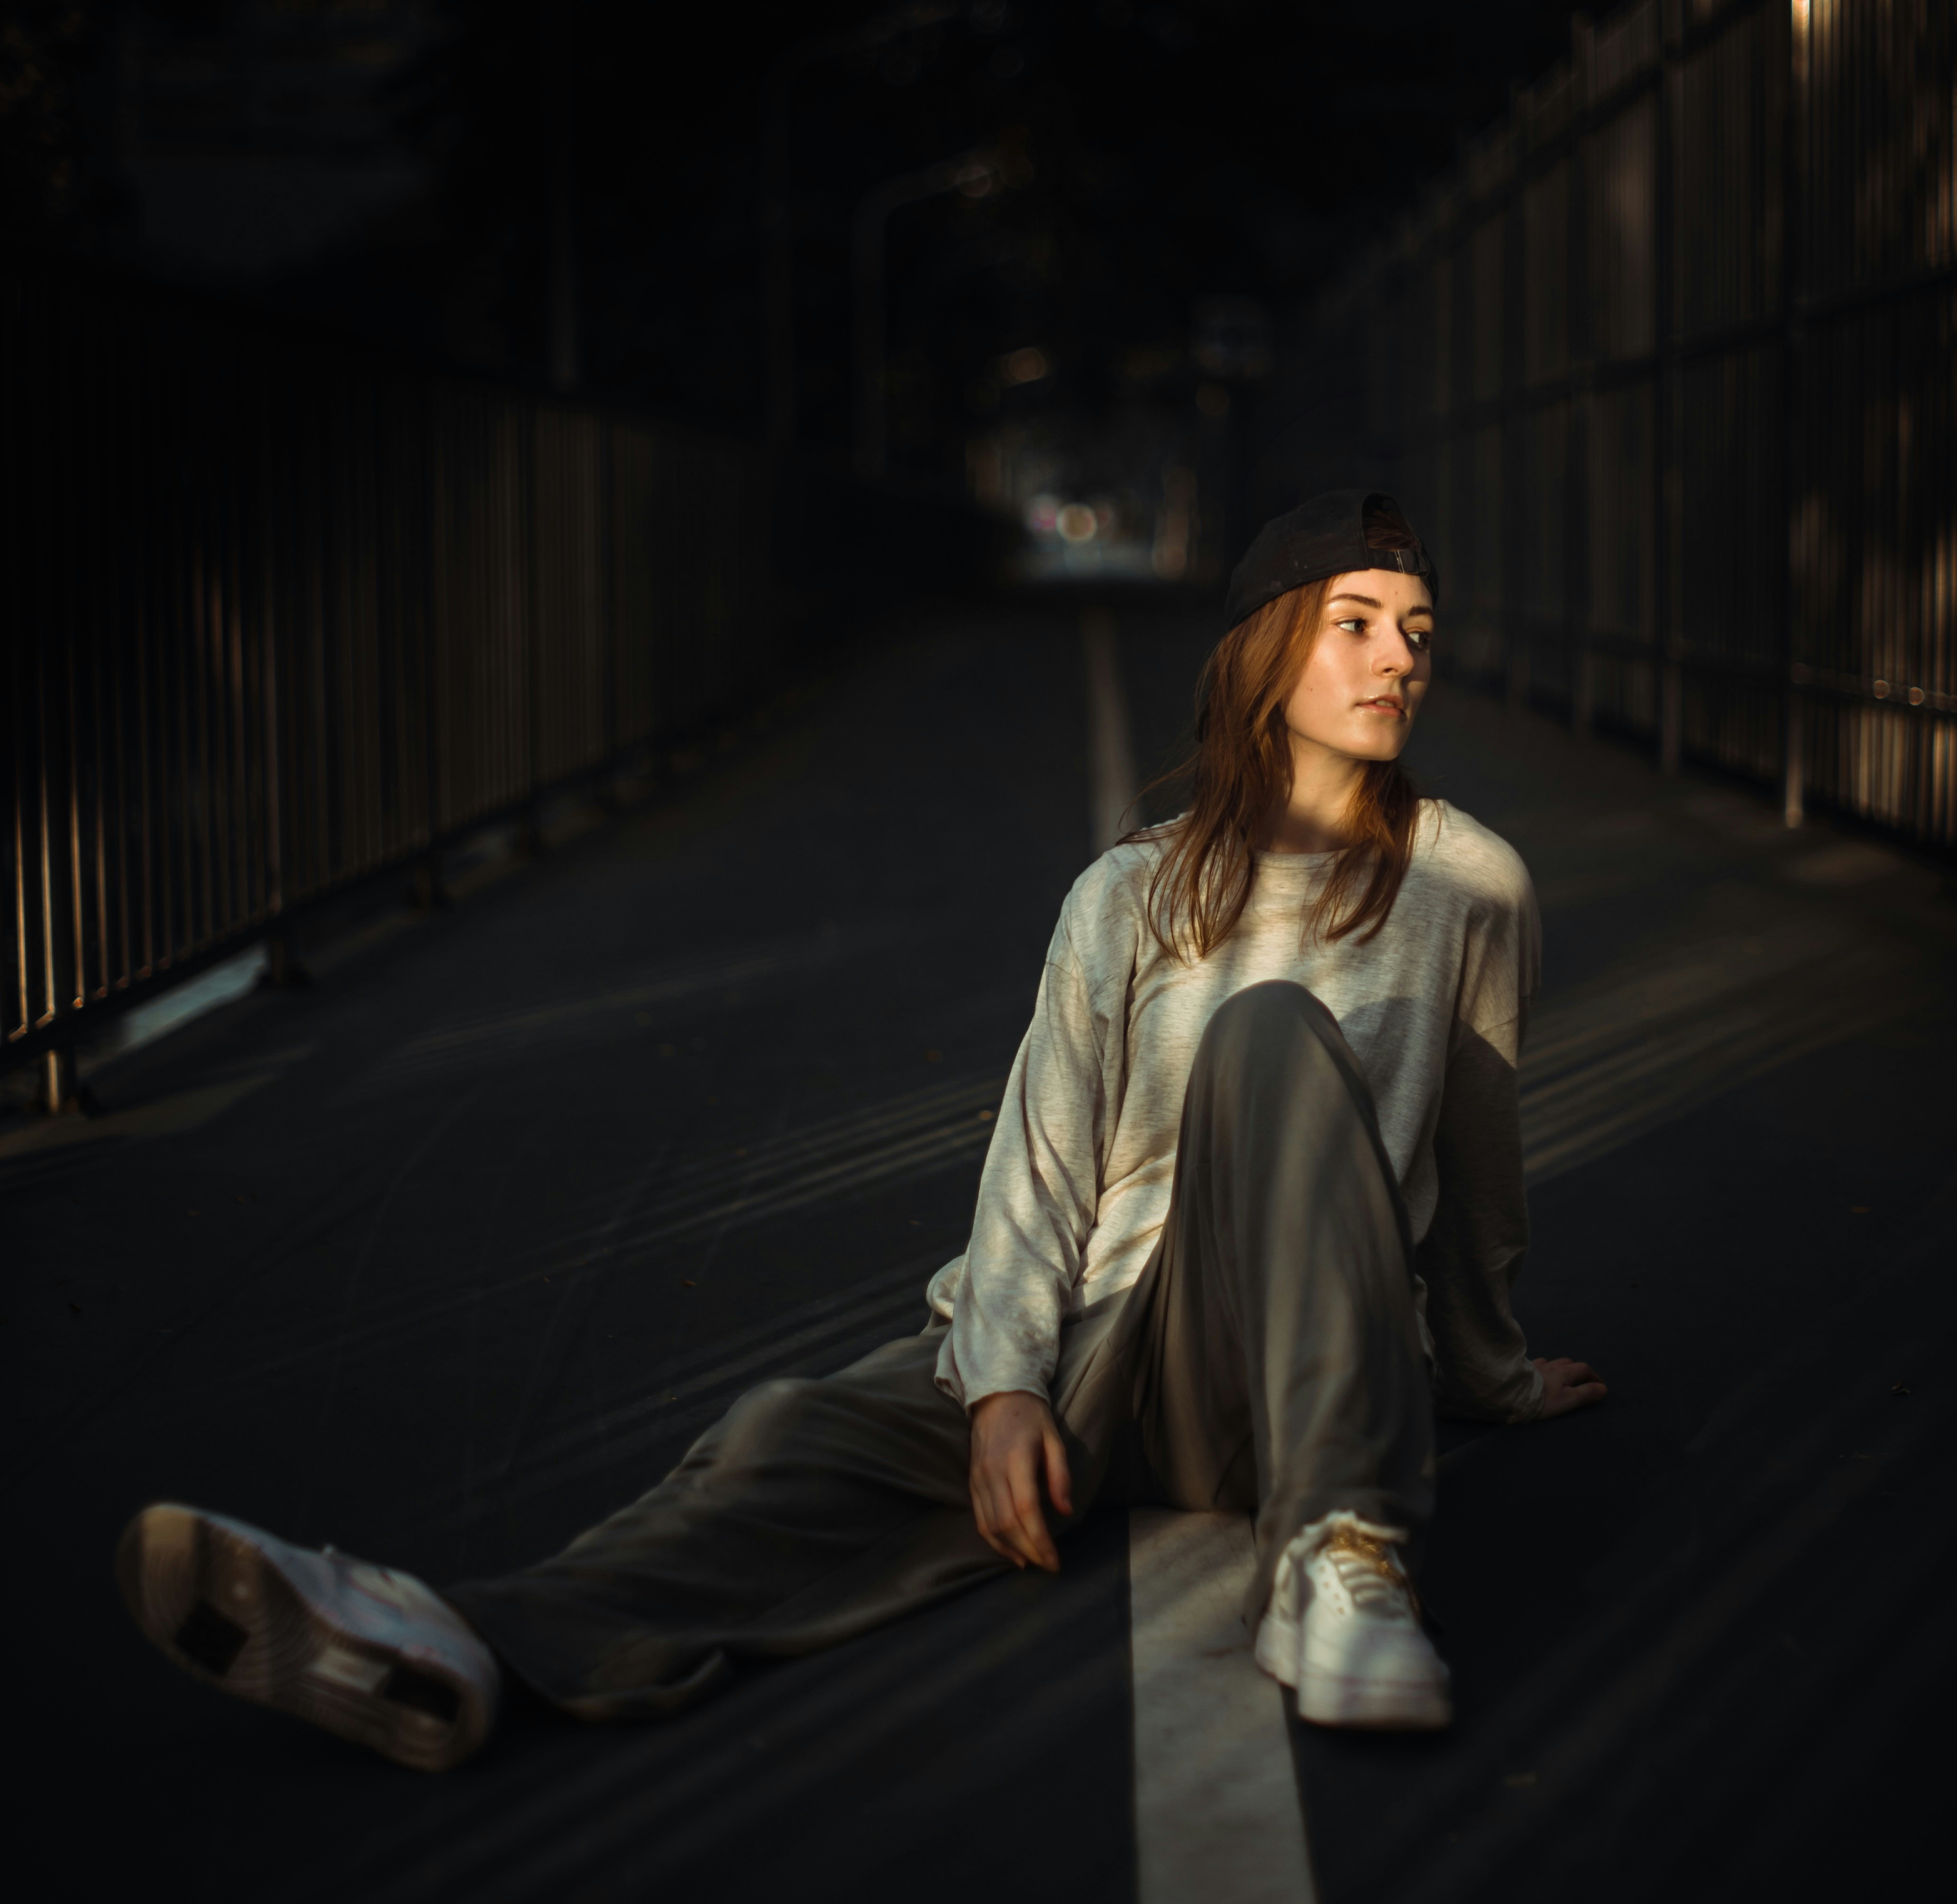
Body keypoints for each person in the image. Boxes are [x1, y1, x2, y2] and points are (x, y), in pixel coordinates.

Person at [117, 488, 1604, 1772]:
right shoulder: (1129, 895)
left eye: (1417, 625)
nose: (1400, 656)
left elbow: (1477, 1159)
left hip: (1276, 1383)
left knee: (1273, 1038)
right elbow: (1043, 1160)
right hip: (1099, 1354)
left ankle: (1343, 1561)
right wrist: (1005, 1388)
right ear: (1270, 646)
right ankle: (456, 1641)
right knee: (783, 1436)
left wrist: (1483, 1372)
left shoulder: (1472, 886)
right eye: (1358, 620)